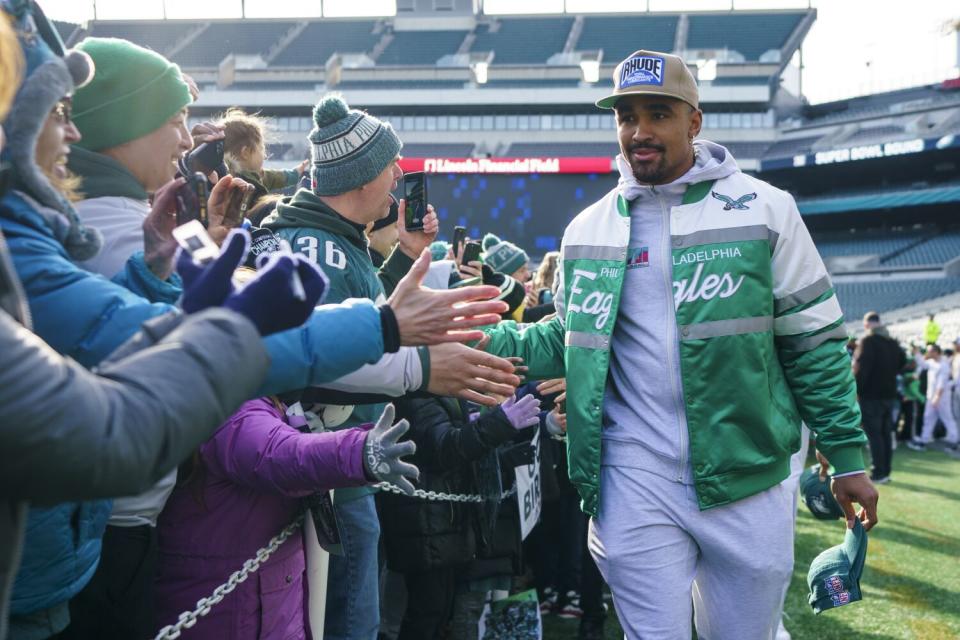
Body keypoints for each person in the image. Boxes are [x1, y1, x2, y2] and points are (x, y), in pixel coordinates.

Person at [480, 49, 877, 639]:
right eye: (626, 116)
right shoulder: (587, 230)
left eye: (658, 113)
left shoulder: (767, 210)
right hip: (631, 475)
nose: (638, 131)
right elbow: (569, 336)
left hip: (749, 474)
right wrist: (475, 333)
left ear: (694, 121)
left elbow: (814, 342)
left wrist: (846, 455)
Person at [263, 93, 515, 640]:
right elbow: (317, 359)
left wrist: (403, 255)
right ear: (358, 178)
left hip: (333, 459)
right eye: (389, 166)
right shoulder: (318, 249)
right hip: (328, 463)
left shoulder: (327, 239)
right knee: (349, 617)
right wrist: (423, 369)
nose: (399, 176)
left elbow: (366, 318)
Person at [155, 395, 417, 639]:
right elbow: (283, 453)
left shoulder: (250, 403)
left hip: (263, 608)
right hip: (231, 614)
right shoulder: (234, 412)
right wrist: (360, 453)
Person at [852, 311, 906, 483]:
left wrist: (857, 392)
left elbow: (861, 370)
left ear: (867, 324)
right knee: (884, 434)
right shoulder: (893, 342)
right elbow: (902, 363)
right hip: (889, 395)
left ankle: (878, 473)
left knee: (875, 435)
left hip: (871, 396)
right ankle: (885, 472)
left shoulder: (868, 341)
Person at [216, 107, 308, 201]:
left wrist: (294, 174)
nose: (264, 156)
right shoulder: (239, 184)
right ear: (246, 153)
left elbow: (273, 177)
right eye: (261, 149)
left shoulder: (254, 175)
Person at [908, 343, 959, 452]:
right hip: (931, 397)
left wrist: (937, 398)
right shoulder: (932, 363)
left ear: (936, 352)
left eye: (930, 351)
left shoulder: (943, 365)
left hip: (941, 398)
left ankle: (954, 441)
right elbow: (923, 363)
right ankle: (924, 440)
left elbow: (941, 384)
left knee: (947, 418)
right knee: (928, 419)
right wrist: (917, 353)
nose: (928, 353)